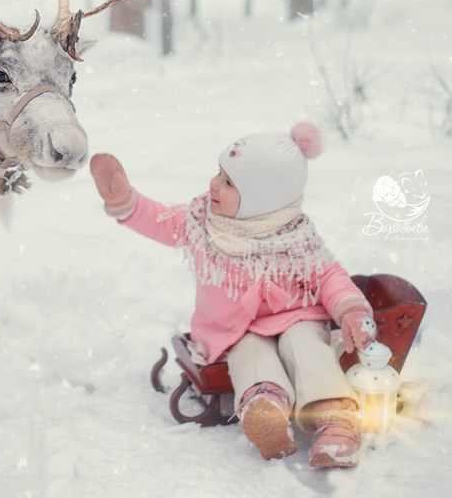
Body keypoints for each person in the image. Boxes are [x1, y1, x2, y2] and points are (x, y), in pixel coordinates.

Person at [89, 122, 375, 468]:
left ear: (262, 200)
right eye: (219, 173)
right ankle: (266, 411)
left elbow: (329, 275)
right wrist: (126, 202)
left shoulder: (295, 235)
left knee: (306, 347)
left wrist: (349, 309)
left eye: (228, 183)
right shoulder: (202, 221)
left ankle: (337, 423)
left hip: (298, 316)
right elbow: (162, 220)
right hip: (237, 330)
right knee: (250, 356)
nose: (213, 185)